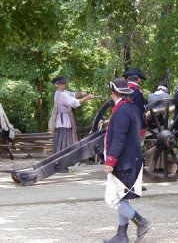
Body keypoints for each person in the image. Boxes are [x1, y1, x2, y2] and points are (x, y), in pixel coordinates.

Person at [103, 78, 150, 243]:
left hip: (124, 162)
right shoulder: (129, 109)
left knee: (112, 199)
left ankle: (141, 222)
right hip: (130, 161)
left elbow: (119, 139)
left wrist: (110, 161)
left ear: (114, 93)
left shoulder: (122, 111)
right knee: (122, 198)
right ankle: (122, 235)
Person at [51, 76, 94, 154]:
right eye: (62, 83)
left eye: (64, 83)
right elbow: (75, 103)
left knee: (62, 141)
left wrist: (81, 93)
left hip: (63, 121)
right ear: (57, 85)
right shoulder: (62, 95)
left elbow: (73, 94)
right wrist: (87, 98)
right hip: (64, 123)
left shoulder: (61, 92)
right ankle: (64, 157)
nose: (64, 84)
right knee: (65, 142)